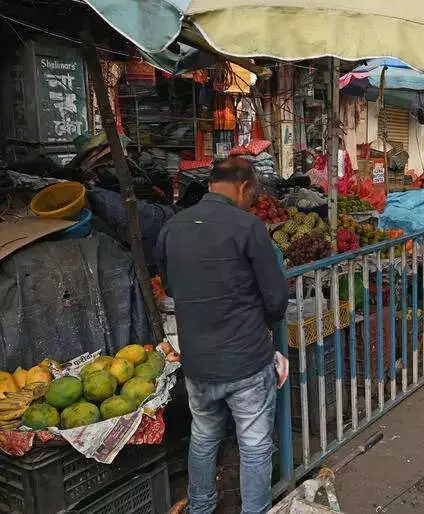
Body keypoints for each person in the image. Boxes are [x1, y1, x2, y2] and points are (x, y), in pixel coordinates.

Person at [156, 157, 289, 514]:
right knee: (255, 446)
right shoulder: (248, 227)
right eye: (254, 193)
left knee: (203, 438)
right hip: (245, 360)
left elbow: (170, 286)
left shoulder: (173, 226)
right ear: (245, 187)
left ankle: (200, 508)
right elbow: (276, 300)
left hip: (198, 361)